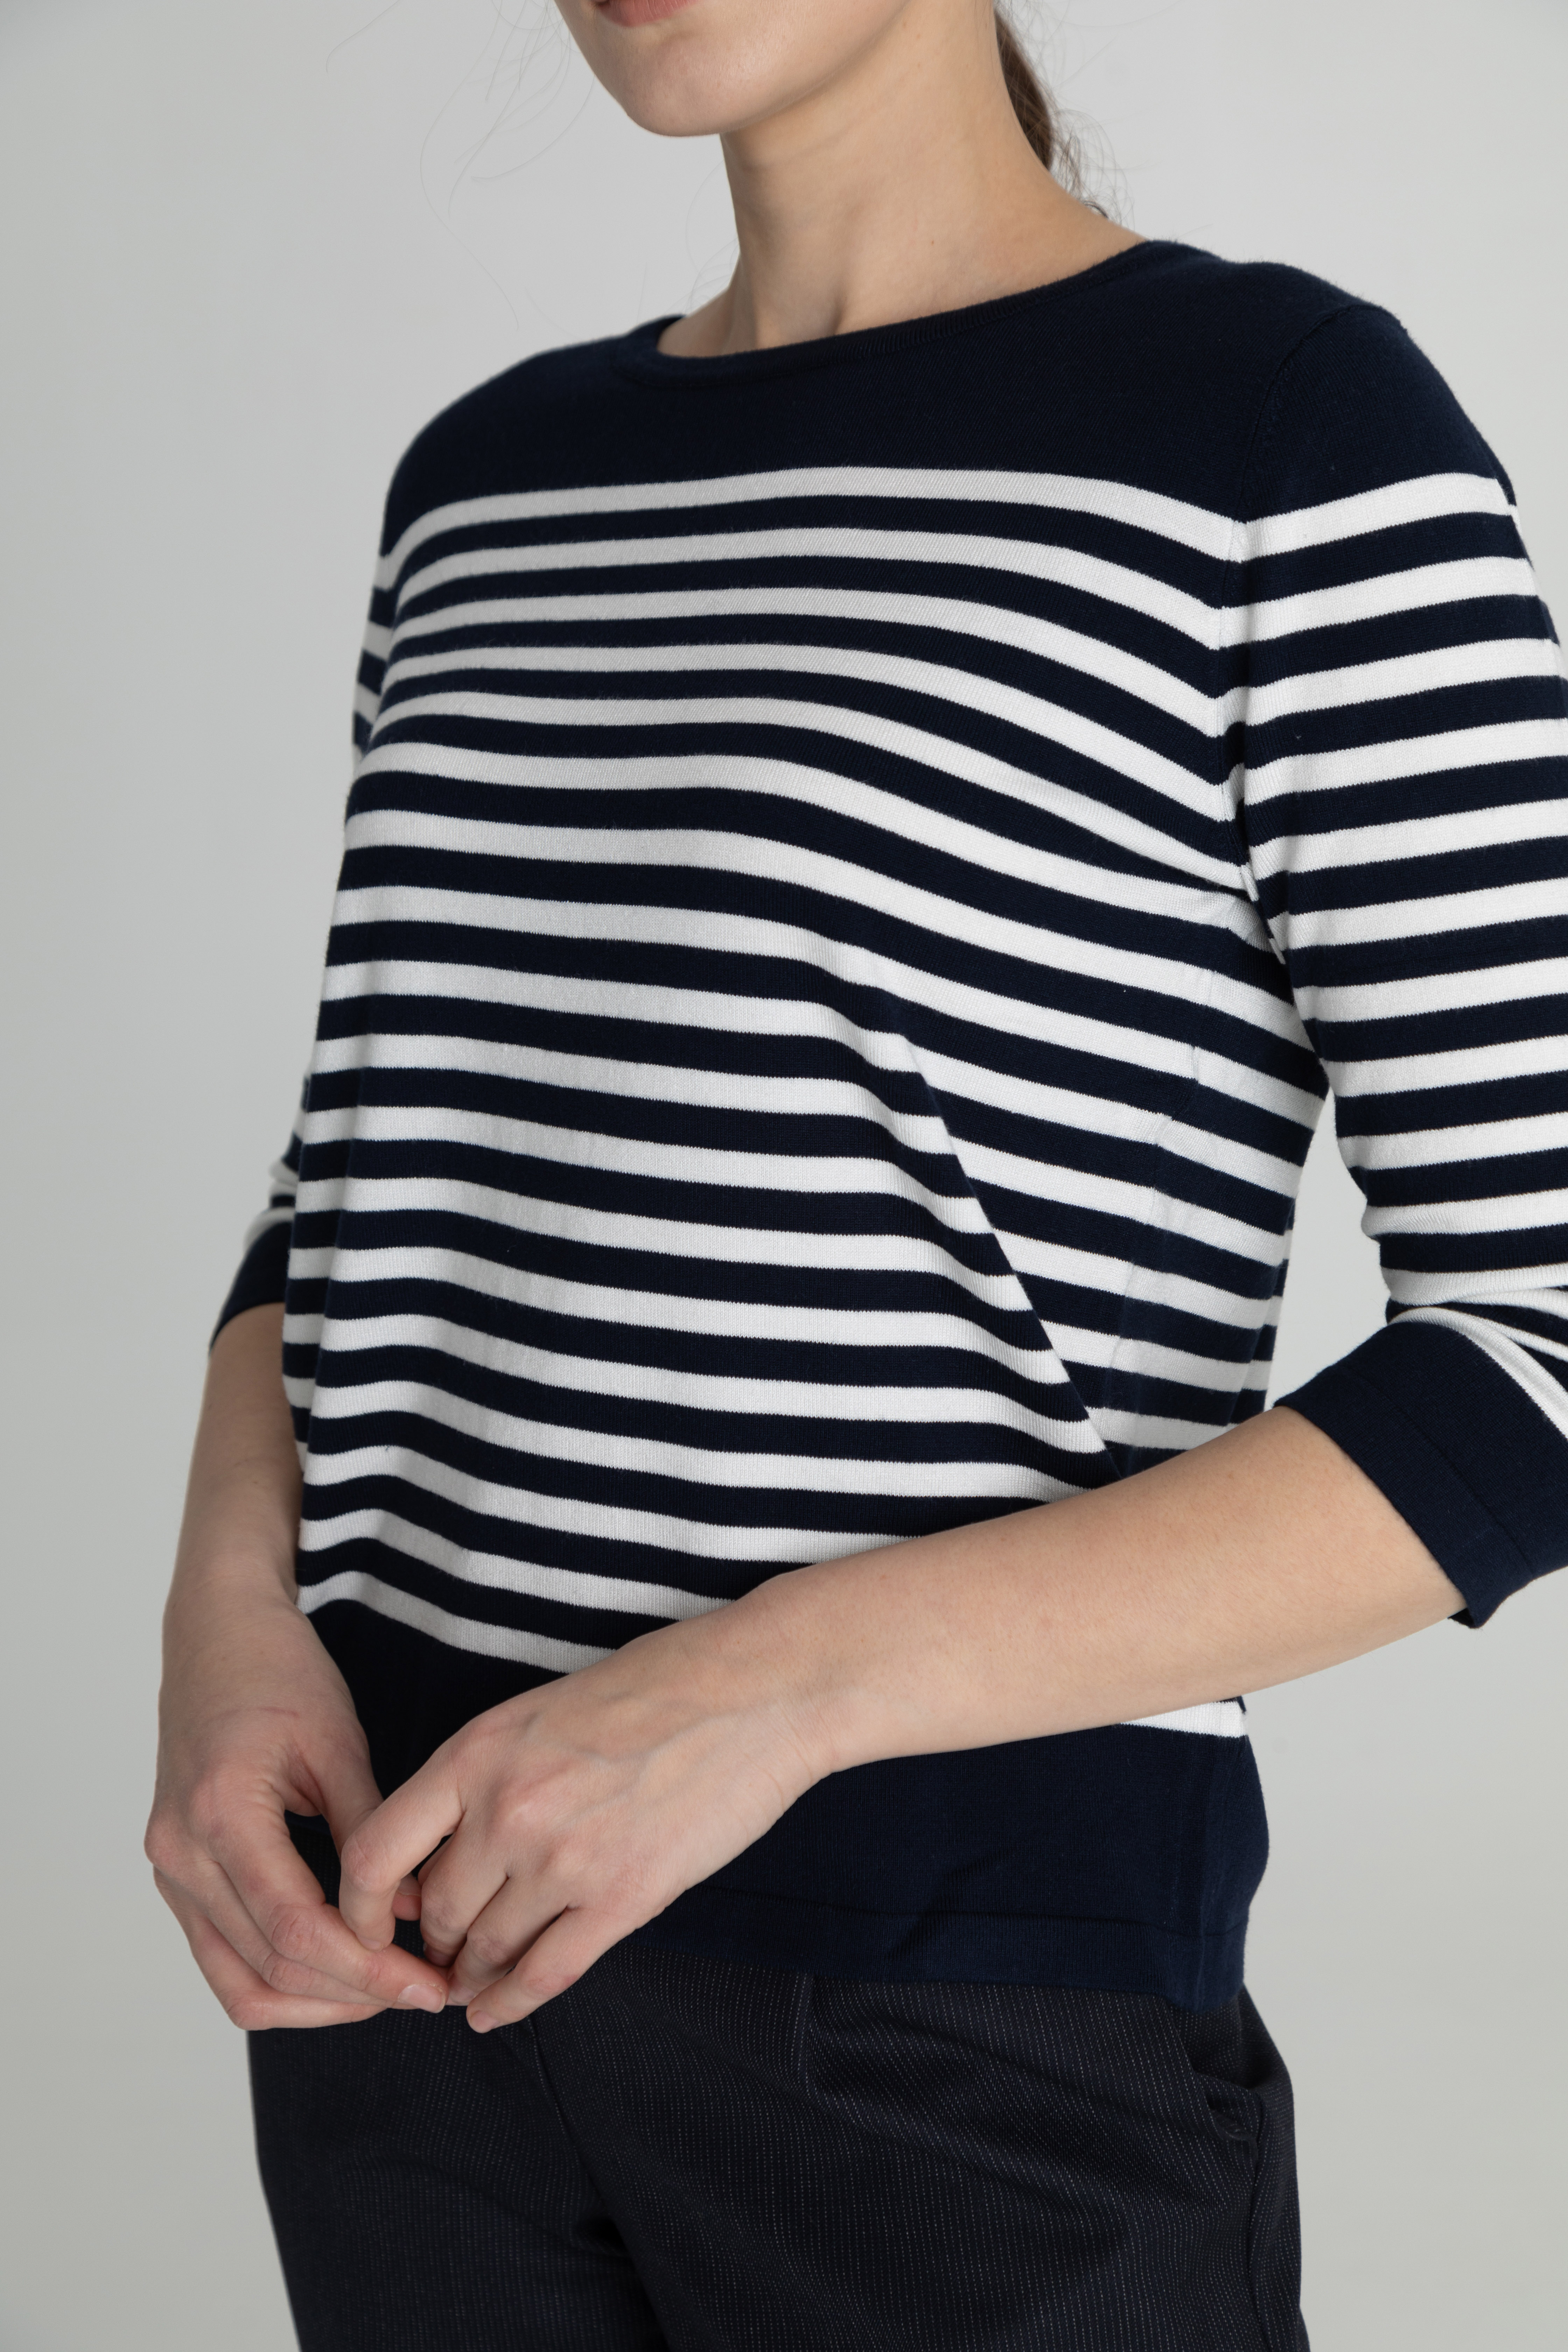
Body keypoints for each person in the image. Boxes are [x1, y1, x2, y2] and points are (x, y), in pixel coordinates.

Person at [145, 2, 1568, 2345]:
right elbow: (378, 1161)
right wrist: (228, 1625)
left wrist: (762, 1699)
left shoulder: (1279, 431)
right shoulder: (485, 489)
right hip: (396, 1968)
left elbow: (1532, 1352)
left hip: (958, 2019)